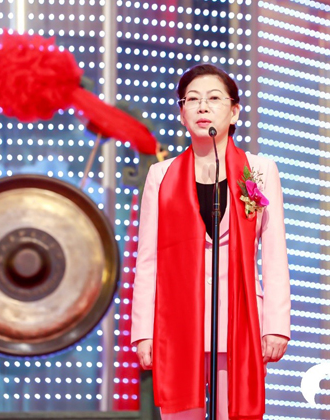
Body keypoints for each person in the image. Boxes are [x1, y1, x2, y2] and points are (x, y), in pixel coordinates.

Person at [130, 63, 291, 420]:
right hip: (176, 323)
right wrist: (143, 331)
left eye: (214, 98)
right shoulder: (161, 175)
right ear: (182, 113)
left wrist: (276, 325)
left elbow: (274, 254)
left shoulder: (260, 170)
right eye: (193, 99)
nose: (202, 107)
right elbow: (148, 259)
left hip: (240, 320)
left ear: (234, 112)